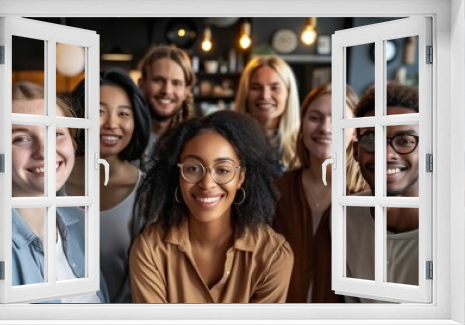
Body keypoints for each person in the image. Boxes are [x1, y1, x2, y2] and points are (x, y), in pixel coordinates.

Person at [130, 111, 294, 303]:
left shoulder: (273, 255)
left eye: (223, 170)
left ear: (241, 177)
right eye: (192, 168)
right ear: (178, 175)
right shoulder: (150, 250)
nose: (207, 184)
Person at [11, 81, 109, 303]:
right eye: (21, 138)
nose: (44, 150)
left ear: (73, 143)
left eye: (56, 133)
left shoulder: (80, 222)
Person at [65, 68, 151, 303]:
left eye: (124, 114)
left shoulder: (146, 191)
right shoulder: (51, 181)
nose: (112, 124)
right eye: (99, 112)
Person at [273, 83, 362, 303]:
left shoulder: (366, 197)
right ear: (302, 126)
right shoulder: (277, 190)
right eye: (315, 117)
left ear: (355, 132)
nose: (325, 128)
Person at [346, 83, 419, 302]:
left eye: (405, 141)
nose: (386, 154)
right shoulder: (345, 216)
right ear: (357, 152)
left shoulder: (453, 230)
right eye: (371, 140)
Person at [235, 55, 300, 173]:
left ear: (288, 93)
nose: (265, 96)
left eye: (275, 88)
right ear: (245, 93)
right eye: (256, 87)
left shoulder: (304, 143)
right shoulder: (230, 140)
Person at [137, 45, 196, 168]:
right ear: (142, 84)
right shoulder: (124, 136)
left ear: (186, 91)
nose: (167, 90)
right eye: (158, 80)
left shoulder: (194, 141)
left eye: (176, 83)